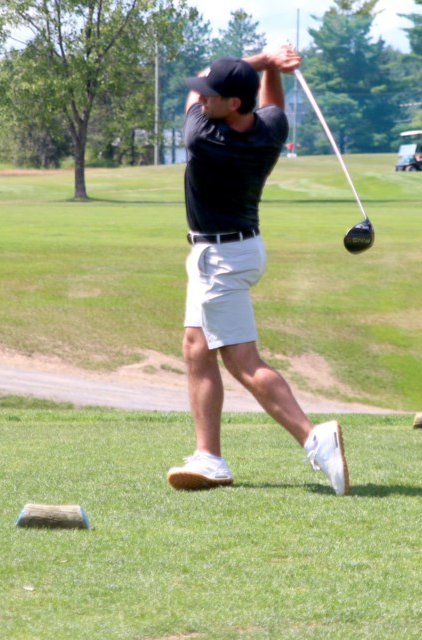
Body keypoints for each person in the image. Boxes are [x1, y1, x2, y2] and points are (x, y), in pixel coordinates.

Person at [165, 46, 349, 496]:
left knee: (242, 361)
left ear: (233, 104)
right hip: (240, 250)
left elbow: (199, 83)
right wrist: (272, 67)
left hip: (219, 259)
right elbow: (270, 104)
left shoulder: (202, 136)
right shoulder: (269, 130)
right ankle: (209, 458)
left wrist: (265, 58)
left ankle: (313, 438)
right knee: (196, 347)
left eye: (211, 95)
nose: (201, 97)